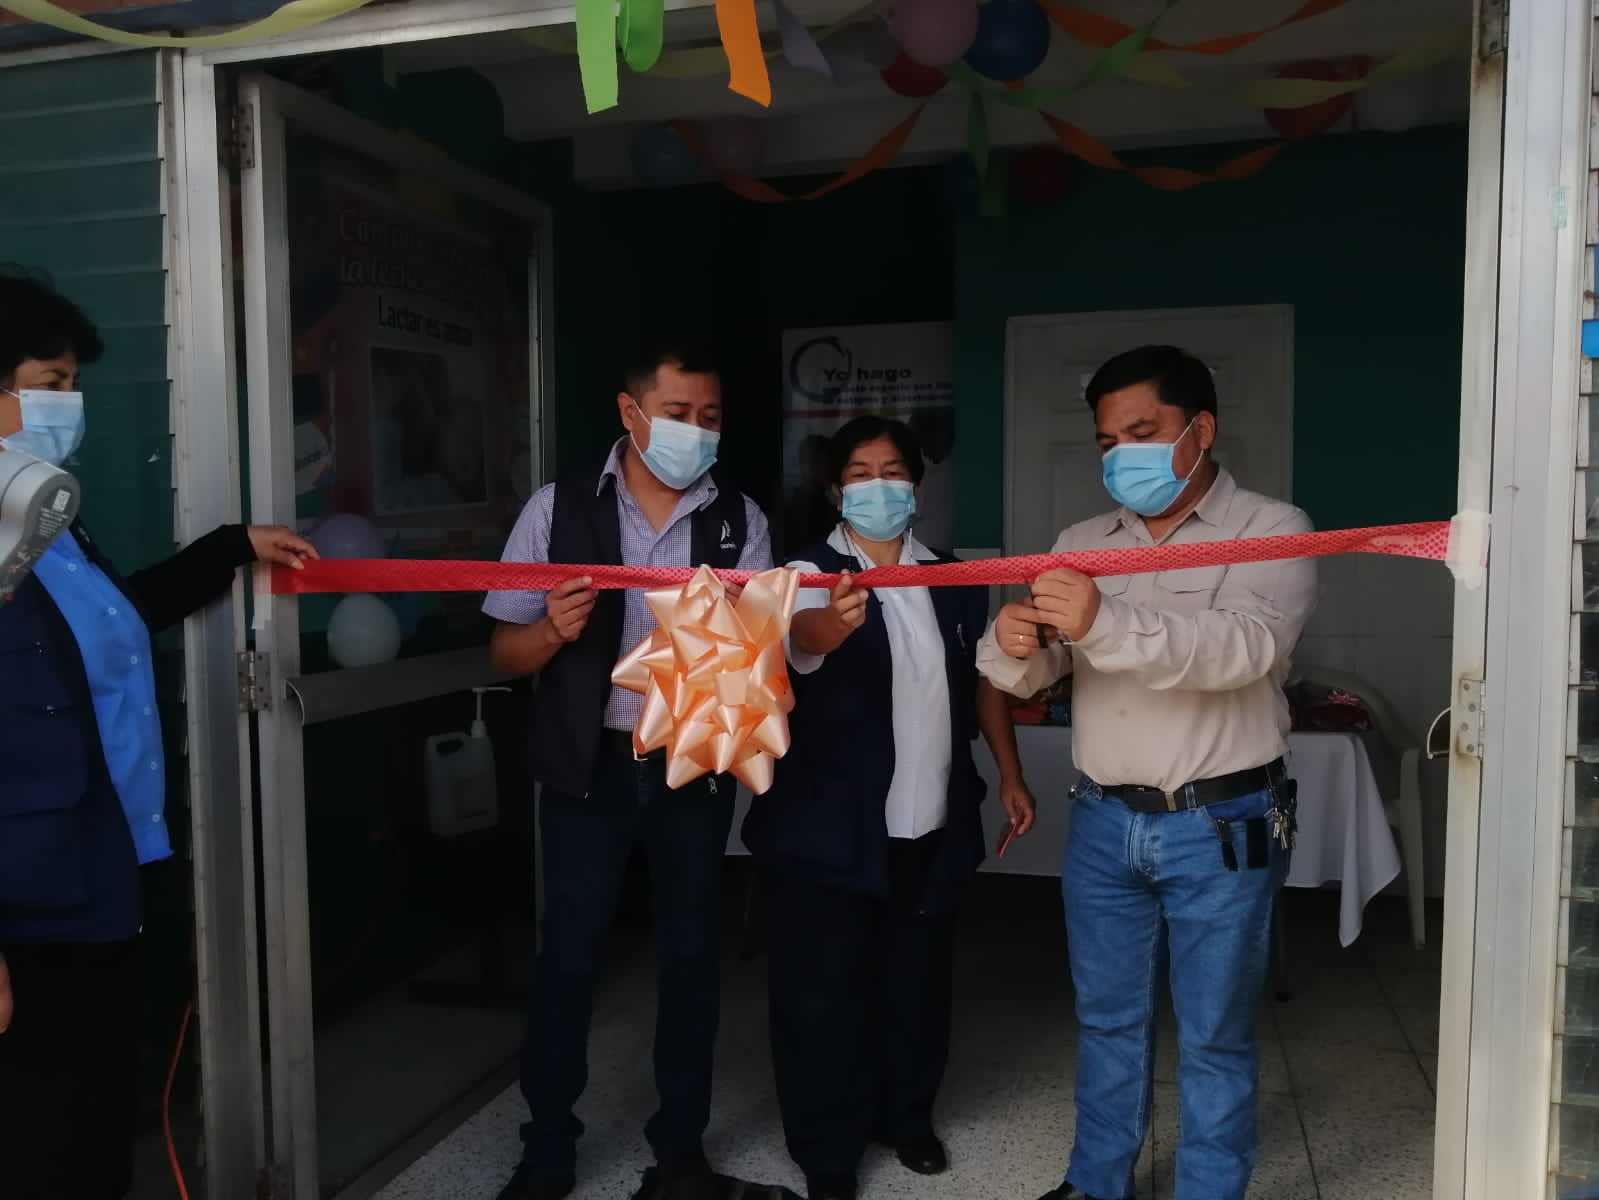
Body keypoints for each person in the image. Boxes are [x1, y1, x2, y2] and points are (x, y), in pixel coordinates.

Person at [0, 270, 317, 1199]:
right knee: (36, 1139)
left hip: (104, 869)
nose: (69, 404)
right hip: (27, 903)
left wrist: (229, 549)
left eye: (72, 384)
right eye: (50, 384)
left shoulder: (48, 523)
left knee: (98, 1121)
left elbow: (116, 620)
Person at [975, 346, 1318, 1200]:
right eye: (1106, 441)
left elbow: (1242, 650)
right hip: (1102, 821)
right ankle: (1096, 1182)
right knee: (1106, 1020)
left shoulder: (1272, 529)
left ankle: (1208, 1189)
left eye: (1142, 432)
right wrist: (1014, 646)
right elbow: (1035, 670)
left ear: (1199, 430)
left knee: (1213, 1034)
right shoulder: (1080, 544)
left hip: (1221, 824)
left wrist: (1101, 620)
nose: (1120, 455)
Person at [483, 335, 774, 1200]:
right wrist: (553, 631)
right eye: (678, 413)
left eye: (710, 416)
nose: (696, 431)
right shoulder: (557, 508)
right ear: (631, 412)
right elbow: (505, 651)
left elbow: (760, 657)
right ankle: (547, 1149)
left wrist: (744, 634)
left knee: (690, 959)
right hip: (589, 769)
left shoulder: (739, 520)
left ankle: (679, 1150)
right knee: (569, 960)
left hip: (692, 768)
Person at [744, 415, 1037, 1200]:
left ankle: (906, 1118)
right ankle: (826, 1151)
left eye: (893, 472)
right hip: (824, 828)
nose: (879, 487)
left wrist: (1009, 773)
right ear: (834, 488)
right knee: (820, 995)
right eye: (860, 474)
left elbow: (983, 683)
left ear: (917, 484)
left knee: (916, 984)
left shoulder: (953, 578)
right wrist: (822, 631)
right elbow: (783, 652)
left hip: (929, 820)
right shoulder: (799, 575)